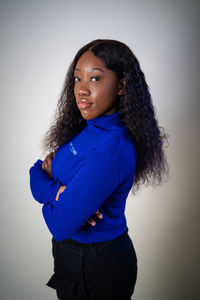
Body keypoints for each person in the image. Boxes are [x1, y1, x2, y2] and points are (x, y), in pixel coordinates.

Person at [29, 39, 168, 300]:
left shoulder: (110, 150)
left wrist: (49, 190)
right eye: (77, 79)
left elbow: (59, 225)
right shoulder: (87, 129)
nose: (81, 90)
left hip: (95, 264)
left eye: (94, 79)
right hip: (75, 259)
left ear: (121, 85)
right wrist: (59, 194)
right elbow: (35, 171)